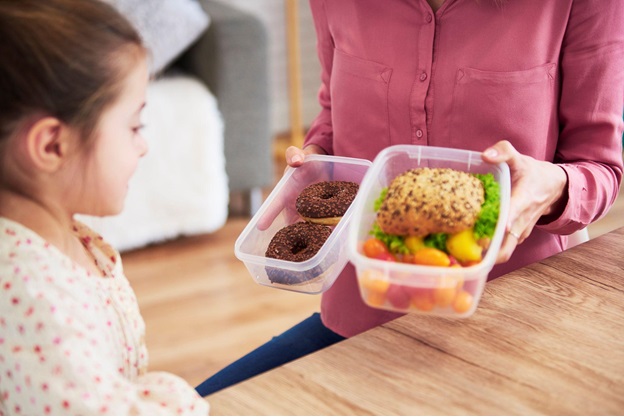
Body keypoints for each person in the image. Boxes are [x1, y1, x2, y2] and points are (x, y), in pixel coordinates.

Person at [195, 0, 624, 396]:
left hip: (511, 322)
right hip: (363, 312)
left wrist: (551, 186)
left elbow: (600, 169)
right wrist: (315, 161)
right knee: (198, 402)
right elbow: (332, 113)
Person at [0, 0, 209, 415]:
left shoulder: (62, 241)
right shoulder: (34, 293)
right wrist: (175, 396)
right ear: (52, 145)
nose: (143, 144)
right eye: (134, 126)